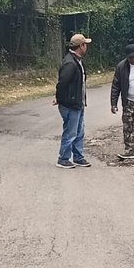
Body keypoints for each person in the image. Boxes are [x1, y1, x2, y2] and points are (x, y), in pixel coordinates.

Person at [54, 33, 92, 169]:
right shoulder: (70, 63)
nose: (86, 47)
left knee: (79, 132)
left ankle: (78, 157)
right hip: (70, 104)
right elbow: (62, 83)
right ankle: (63, 158)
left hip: (78, 103)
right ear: (81, 46)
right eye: (85, 44)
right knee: (70, 132)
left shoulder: (77, 61)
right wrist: (60, 98)